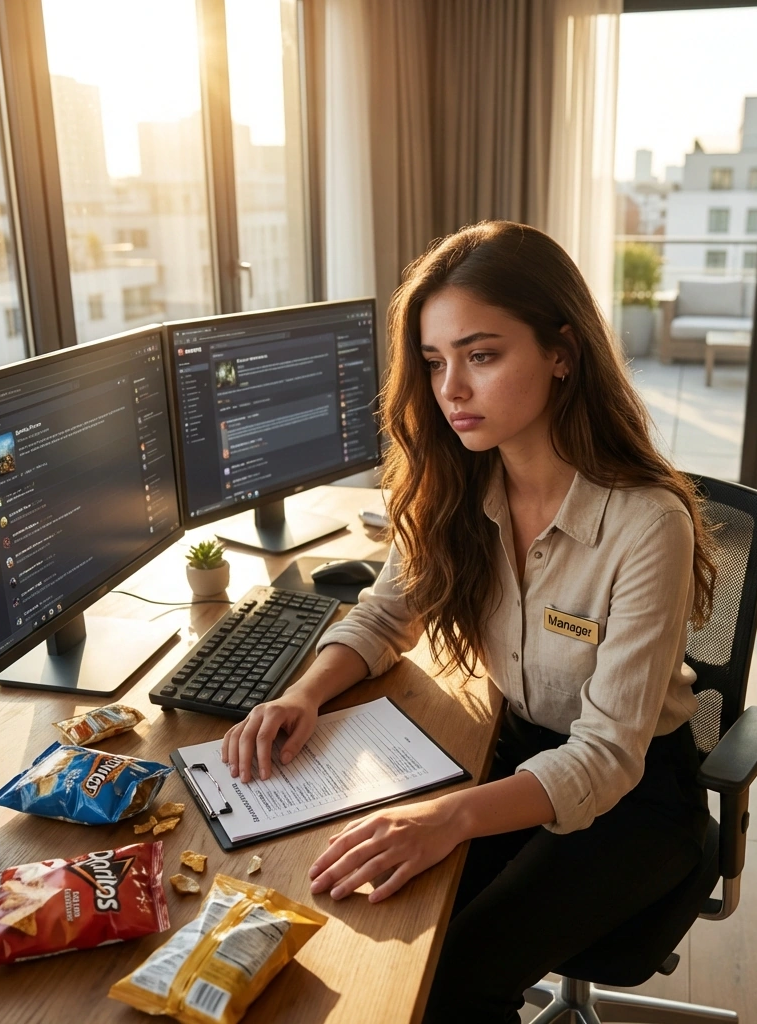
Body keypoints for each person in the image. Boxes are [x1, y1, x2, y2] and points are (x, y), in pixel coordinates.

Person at [222, 220, 717, 1024]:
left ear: (561, 353)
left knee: (450, 981)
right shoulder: (452, 483)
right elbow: (388, 613)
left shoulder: (646, 523)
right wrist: (302, 694)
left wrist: (448, 818)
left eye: (481, 356)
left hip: (635, 798)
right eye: (433, 361)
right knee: (372, 922)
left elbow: (606, 756)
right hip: (511, 750)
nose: (450, 389)